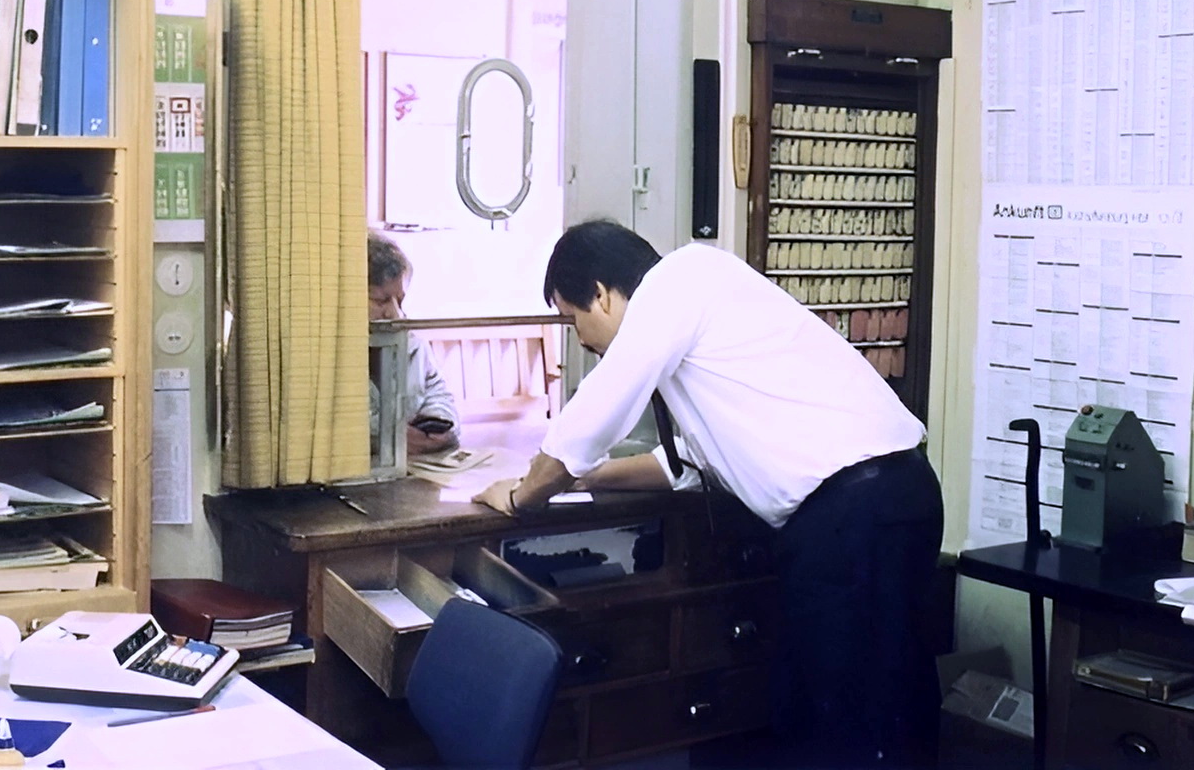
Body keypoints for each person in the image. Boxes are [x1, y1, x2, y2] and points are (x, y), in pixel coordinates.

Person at [474, 220, 943, 770]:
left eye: (572, 319)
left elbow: (591, 418)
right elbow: (687, 467)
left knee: (839, 714)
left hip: (851, 515)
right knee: (886, 693)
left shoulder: (679, 282)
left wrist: (521, 495)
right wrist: (588, 478)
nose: (578, 339)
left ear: (600, 293)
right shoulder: (701, 316)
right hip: (896, 495)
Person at [368, 231, 460, 455]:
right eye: (380, 301)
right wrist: (386, 438)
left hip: (411, 466)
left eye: (400, 300)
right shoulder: (324, 351)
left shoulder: (413, 345)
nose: (395, 313)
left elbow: (438, 393)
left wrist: (438, 424)